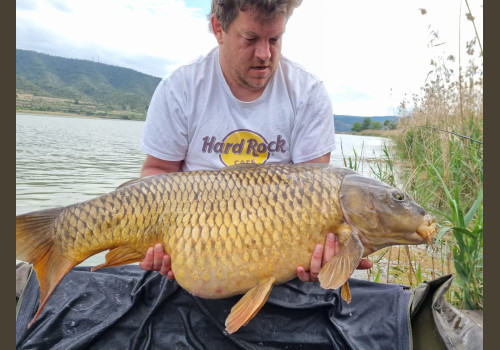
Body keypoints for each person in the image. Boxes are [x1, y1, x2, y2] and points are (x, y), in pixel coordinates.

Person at [138, 0, 372, 281]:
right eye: (250, 39)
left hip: (276, 255)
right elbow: (158, 172)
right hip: (191, 251)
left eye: (275, 39)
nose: (264, 54)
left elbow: (318, 198)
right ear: (218, 28)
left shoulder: (307, 93)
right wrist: (155, 243)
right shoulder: (180, 88)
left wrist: (335, 254)